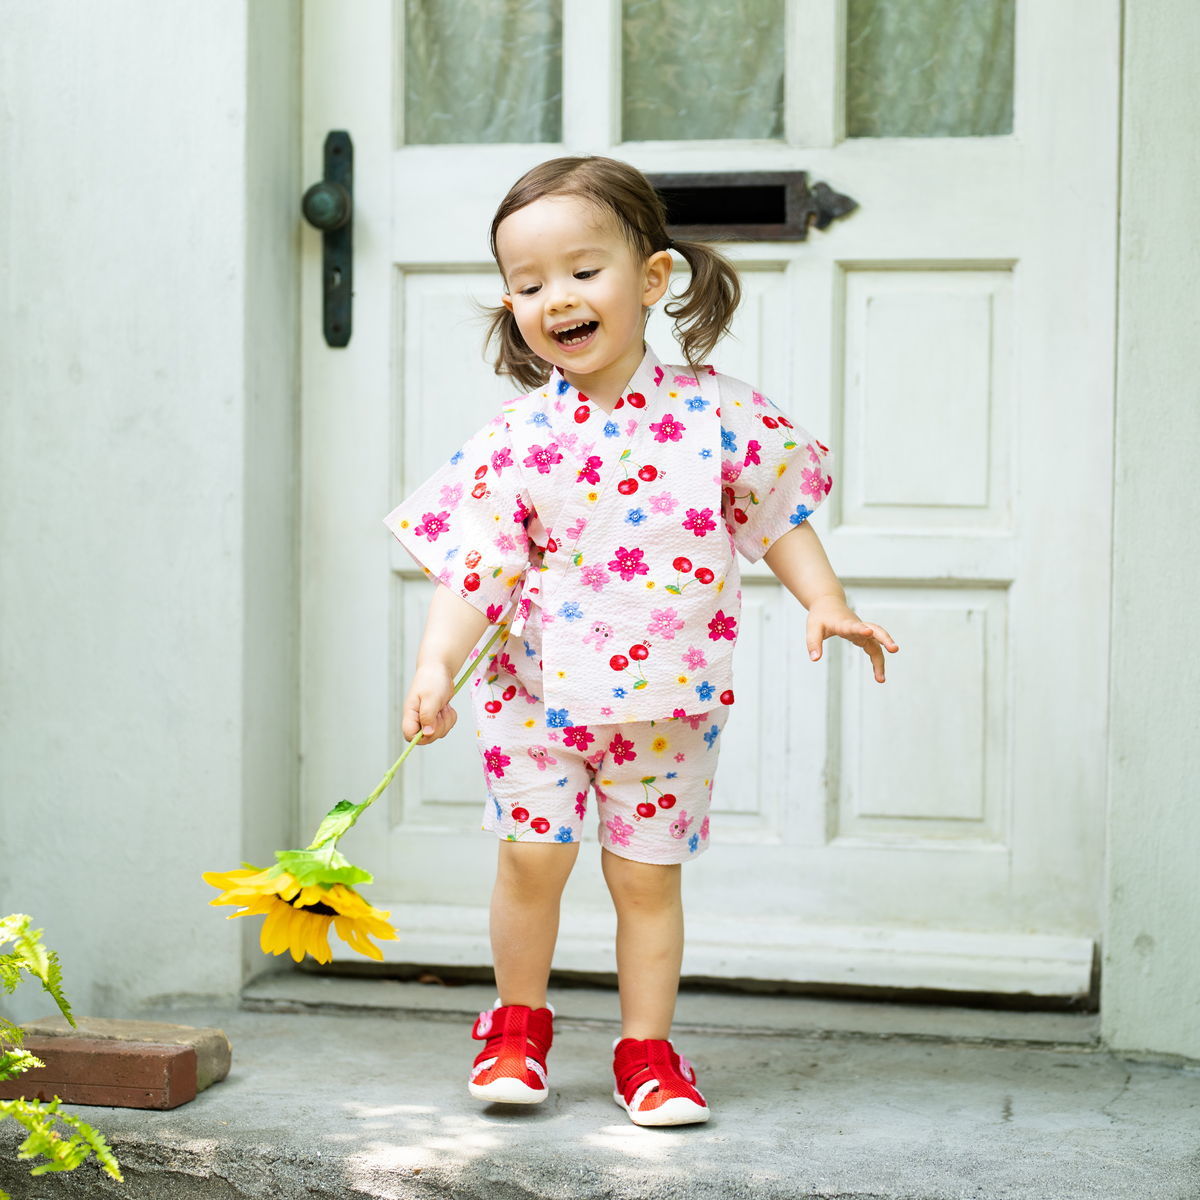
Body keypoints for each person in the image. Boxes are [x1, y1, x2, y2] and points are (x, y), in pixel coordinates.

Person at [383, 156, 898, 1127]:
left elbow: (777, 516)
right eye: (529, 284)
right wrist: (434, 663)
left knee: (645, 878)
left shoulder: (718, 415)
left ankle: (648, 1050)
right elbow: (474, 569)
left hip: (666, 704)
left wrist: (823, 600)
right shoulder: (515, 440)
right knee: (532, 861)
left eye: (583, 271)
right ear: (511, 302)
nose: (557, 298)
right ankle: (516, 1027)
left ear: (651, 280)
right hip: (533, 698)